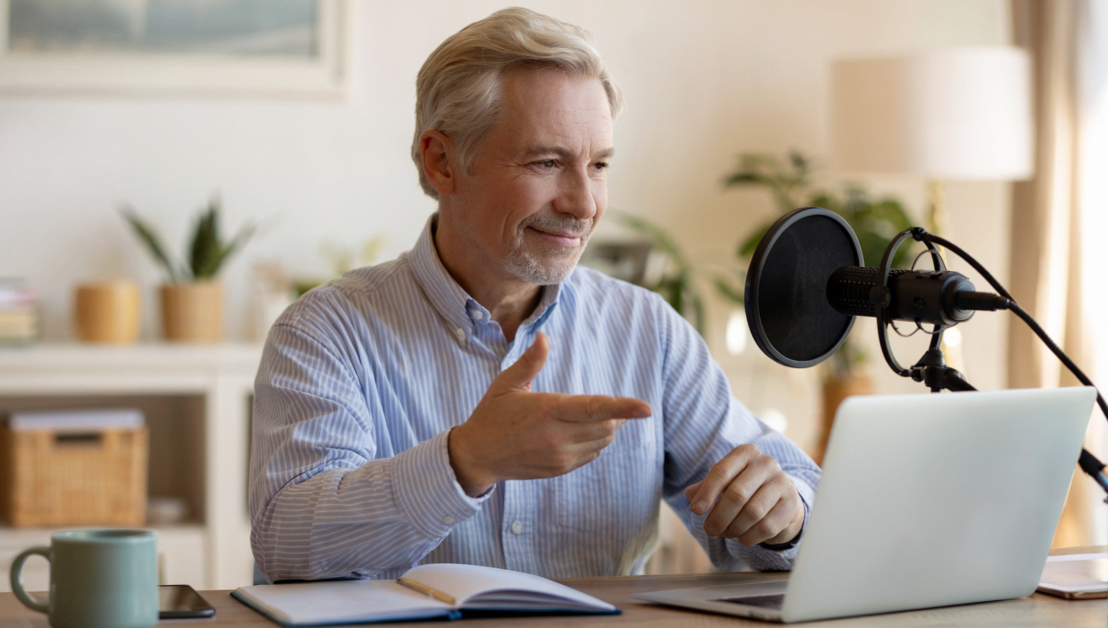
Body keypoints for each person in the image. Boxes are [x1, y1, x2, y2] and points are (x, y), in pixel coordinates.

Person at [249, 7, 820, 583]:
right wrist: (466, 460)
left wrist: (785, 514)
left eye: (597, 165)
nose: (584, 203)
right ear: (441, 161)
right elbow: (289, 543)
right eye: (546, 162)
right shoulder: (325, 331)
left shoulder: (646, 329)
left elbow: (804, 503)